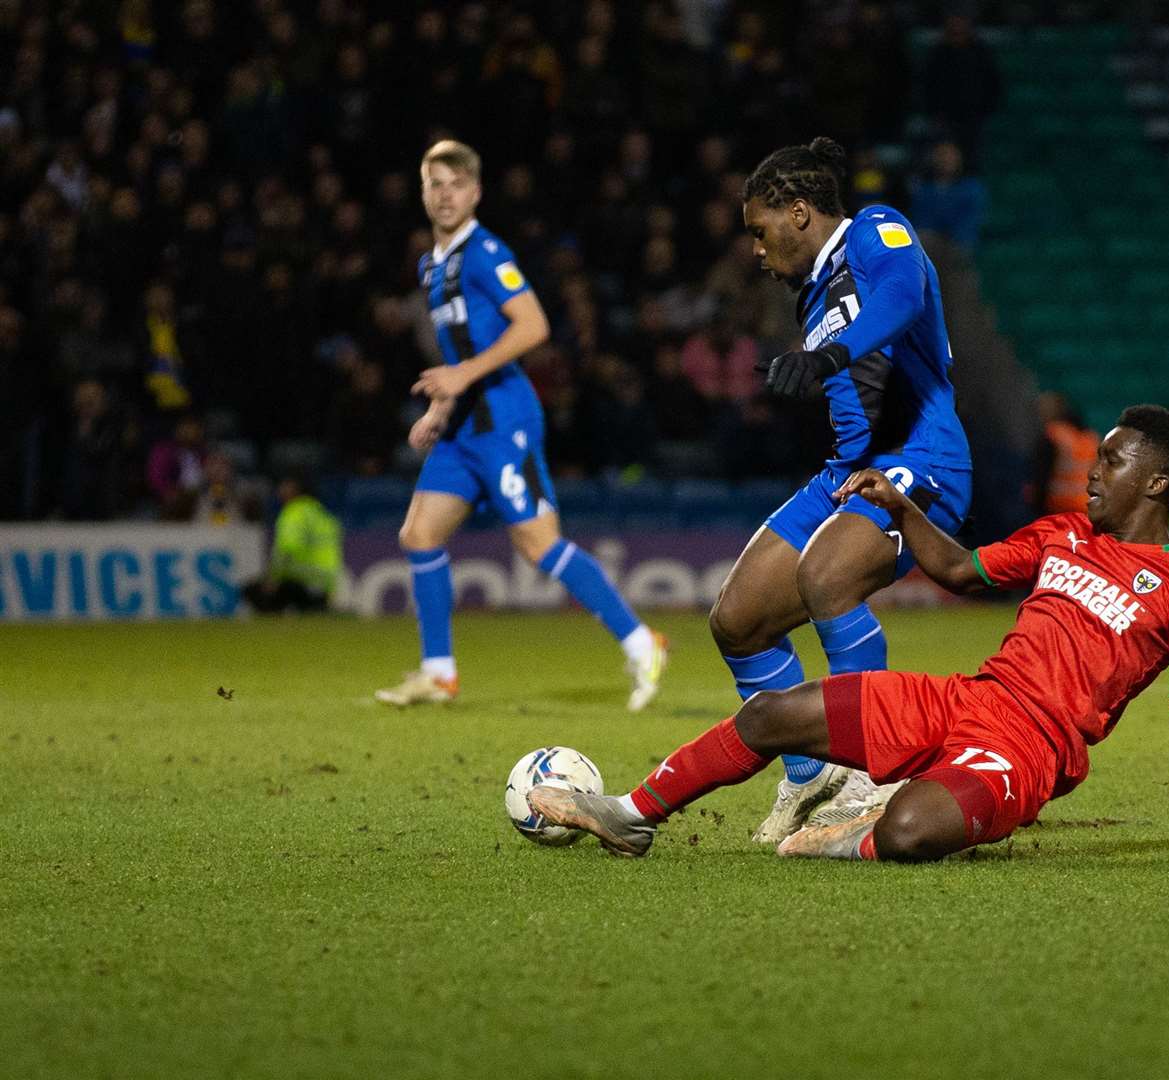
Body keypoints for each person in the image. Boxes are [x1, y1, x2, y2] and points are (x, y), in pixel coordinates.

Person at [528, 407, 1169, 865]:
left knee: (908, 831)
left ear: (1156, 485)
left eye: (1113, 463)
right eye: (1098, 457)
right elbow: (962, 572)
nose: (1092, 473)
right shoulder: (1061, 535)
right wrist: (904, 509)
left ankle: (854, 835)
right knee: (770, 715)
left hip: (1031, 749)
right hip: (966, 698)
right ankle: (630, 815)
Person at [707, 136, 974, 844]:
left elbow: (905, 295)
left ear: (800, 212)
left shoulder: (877, 231)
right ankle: (809, 774)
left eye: (760, 232)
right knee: (736, 620)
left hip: (925, 460)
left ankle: (872, 771)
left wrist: (828, 354)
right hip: (847, 473)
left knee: (827, 576)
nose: (756, 251)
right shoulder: (814, 294)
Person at [376, 140, 667, 709]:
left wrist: (461, 379)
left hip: (504, 419)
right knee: (418, 534)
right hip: (462, 429)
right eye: (435, 185)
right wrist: (440, 407)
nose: (445, 195)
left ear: (476, 192)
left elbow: (533, 326)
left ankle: (641, 641)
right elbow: (461, 346)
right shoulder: (431, 265)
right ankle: (438, 674)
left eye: (456, 185)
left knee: (539, 546)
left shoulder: (486, 251)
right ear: (423, 192)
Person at [243, 474, 342, 614]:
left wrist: (273, 579)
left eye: (284, 486)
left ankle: (273, 629)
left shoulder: (293, 512)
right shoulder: (322, 513)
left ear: (294, 490)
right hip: (325, 586)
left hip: (301, 582)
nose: (280, 490)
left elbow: (287, 551)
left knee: (250, 590)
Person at [1031, 391, 1098, 517]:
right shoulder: (1090, 438)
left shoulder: (1053, 435)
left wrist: (1036, 503)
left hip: (1057, 507)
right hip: (1084, 507)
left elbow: (1042, 472)